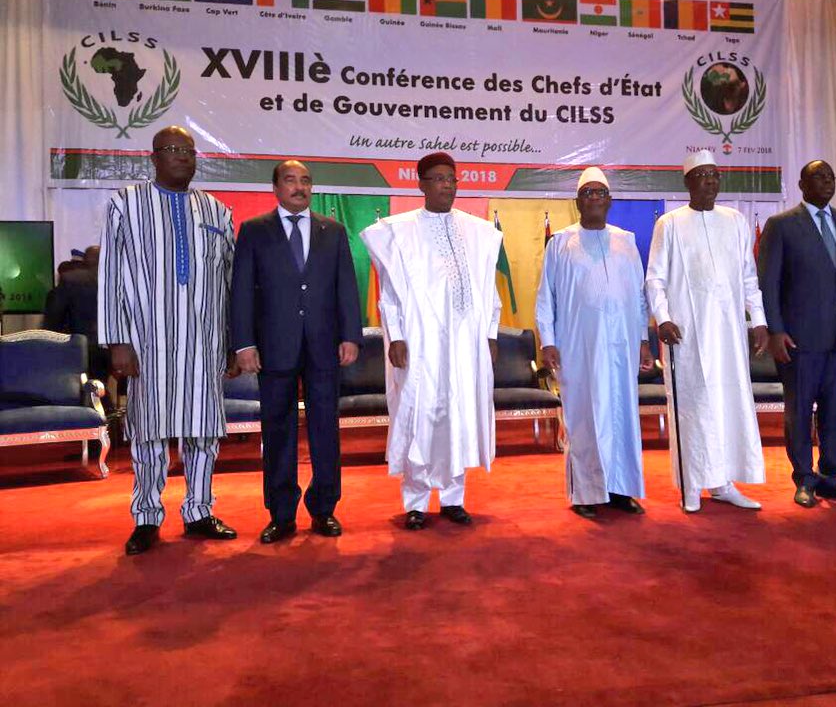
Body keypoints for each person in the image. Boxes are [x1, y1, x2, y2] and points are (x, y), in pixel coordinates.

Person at [98, 125, 237, 555]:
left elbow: (230, 281)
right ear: (154, 157)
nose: (182, 156)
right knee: (149, 432)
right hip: (147, 342)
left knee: (203, 430)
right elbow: (110, 275)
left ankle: (199, 511)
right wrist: (117, 340)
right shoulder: (125, 204)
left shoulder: (217, 211)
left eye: (189, 151)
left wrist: (234, 341)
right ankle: (146, 517)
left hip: (203, 342)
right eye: (173, 149)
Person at [361, 153, 502, 530]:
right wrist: (396, 335)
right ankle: (416, 501)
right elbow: (389, 292)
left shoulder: (477, 232)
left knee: (459, 415)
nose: (447, 186)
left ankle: (454, 498)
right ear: (421, 184)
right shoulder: (398, 231)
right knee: (419, 414)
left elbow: (488, 289)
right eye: (439, 179)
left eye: (452, 179)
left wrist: (490, 332)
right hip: (420, 341)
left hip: (465, 343)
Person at [231, 160, 363, 543]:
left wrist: (350, 336)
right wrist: (244, 343)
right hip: (274, 347)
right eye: (290, 180)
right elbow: (241, 291)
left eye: (306, 180)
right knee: (277, 430)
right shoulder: (254, 231)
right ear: (275, 188)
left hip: (324, 346)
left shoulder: (332, 231)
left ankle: (324, 508)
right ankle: (281, 513)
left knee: (326, 429)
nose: (299, 187)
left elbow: (346, 286)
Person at [646, 149, 768, 513]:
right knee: (694, 408)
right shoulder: (669, 223)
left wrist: (759, 320)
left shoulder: (735, 221)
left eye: (715, 174)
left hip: (728, 334)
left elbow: (749, 277)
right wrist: (663, 318)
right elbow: (655, 278)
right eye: (702, 175)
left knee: (727, 405)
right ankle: (692, 484)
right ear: (687, 182)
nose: (711, 181)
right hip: (686, 335)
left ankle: (723, 482)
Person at [535, 166, 653, 519]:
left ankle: (621, 489)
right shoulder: (561, 243)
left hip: (622, 346)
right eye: (588, 193)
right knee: (584, 416)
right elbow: (546, 297)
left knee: (621, 415)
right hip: (578, 346)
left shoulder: (626, 241)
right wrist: (548, 341)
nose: (594, 199)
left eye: (600, 193)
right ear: (578, 202)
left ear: (610, 201)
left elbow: (640, 296)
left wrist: (643, 339)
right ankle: (585, 493)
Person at [757, 160, 836, 508]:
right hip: (799, 337)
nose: (826, 182)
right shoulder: (781, 225)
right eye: (818, 177)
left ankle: (831, 476)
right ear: (801, 184)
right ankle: (805, 478)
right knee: (800, 409)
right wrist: (776, 330)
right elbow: (768, 283)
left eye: (830, 177)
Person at [43, 245, 109, 383]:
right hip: (107, 348)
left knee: (74, 387)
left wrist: (48, 343)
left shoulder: (71, 279)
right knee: (99, 386)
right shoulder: (113, 280)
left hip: (75, 346)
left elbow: (54, 316)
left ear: (85, 259)